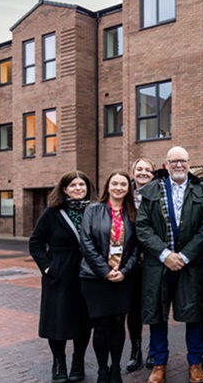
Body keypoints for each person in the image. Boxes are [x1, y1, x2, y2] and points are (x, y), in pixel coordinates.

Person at [135, 147, 203, 383]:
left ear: (189, 163)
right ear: (165, 164)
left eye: (182, 161)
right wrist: (165, 254)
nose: (178, 165)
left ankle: (195, 363)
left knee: (195, 315)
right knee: (157, 315)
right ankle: (159, 363)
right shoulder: (150, 191)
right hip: (158, 266)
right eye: (174, 161)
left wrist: (186, 255)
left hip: (191, 265)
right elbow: (143, 227)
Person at [30, 171, 95, 383]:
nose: (78, 188)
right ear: (65, 189)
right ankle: (58, 363)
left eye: (82, 185)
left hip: (86, 273)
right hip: (59, 273)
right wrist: (47, 267)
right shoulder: (52, 213)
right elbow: (36, 243)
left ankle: (78, 361)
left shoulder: (94, 211)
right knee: (56, 320)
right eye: (73, 185)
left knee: (83, 320)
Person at [79, 170, 139, 383]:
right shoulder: (93, 210)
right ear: (108, 186)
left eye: (123, 184)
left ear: (128, 188)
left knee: (118, 323)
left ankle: (115, 369)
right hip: (95, 278)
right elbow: (85, 243)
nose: (119, 188)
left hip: (123, 279)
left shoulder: (133, 213)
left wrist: (124, 271)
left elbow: (136, 248)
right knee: (102, 325)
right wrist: (104, 271)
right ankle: (102, 370)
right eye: (115, 183)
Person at [126, 158, 155, 373]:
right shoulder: (125, 195)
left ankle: (154, 348)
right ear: (133, 172)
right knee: (134, 309)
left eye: (148, 170)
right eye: (139, 169)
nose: (143, 173)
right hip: (131, 262)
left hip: (153, 259)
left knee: (155, 306)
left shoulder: (158, 194)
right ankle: (135, 350)